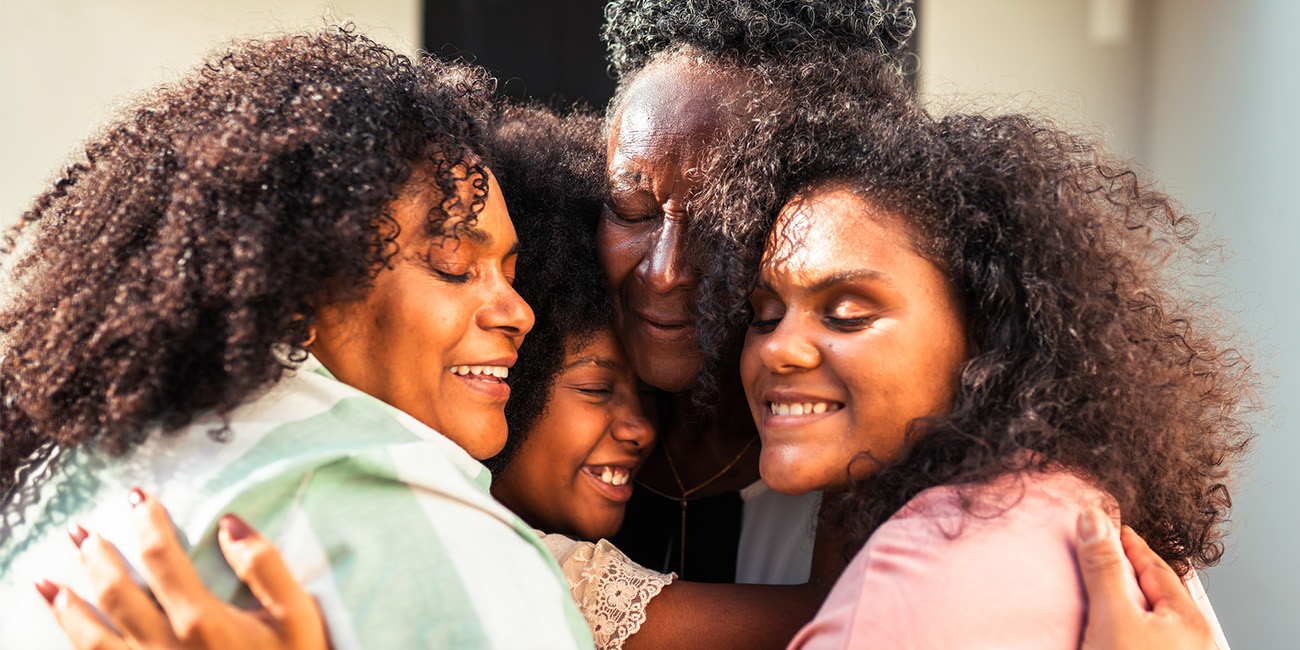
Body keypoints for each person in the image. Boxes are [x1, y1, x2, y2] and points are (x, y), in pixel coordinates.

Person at [0, 27, 592, 649]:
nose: (518, 312)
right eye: (453, 265)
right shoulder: (436, 544)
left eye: (511, 273)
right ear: (303, 283)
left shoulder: (78, 461)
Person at [690, 46, 1250, 648]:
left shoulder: (914, 584)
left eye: (847, 314)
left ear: (987, 331)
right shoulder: (1077, 507)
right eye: (765, 315)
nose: (779, 349)